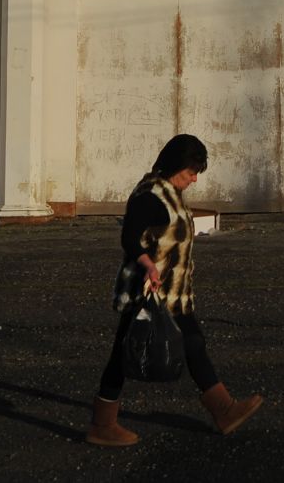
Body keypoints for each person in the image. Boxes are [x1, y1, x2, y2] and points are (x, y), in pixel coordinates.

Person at [87, 134, 264, 447]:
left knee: (194, 342)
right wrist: (148, 264)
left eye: (197, 172)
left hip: (175, 292)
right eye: (191, 172)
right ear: (174, 166)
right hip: (147, 291)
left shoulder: (171, 192)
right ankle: (102, 425)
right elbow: (129, 238)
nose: (194, 179)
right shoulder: (151, 196)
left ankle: (224, 410)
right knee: (123, 354)